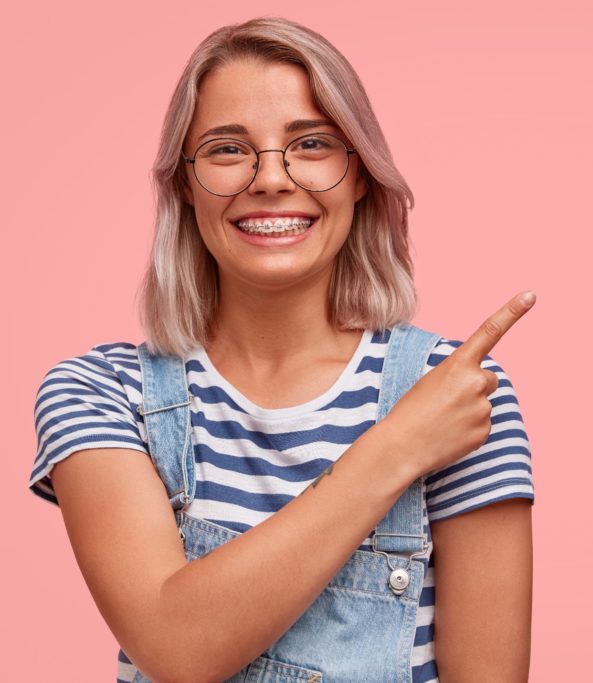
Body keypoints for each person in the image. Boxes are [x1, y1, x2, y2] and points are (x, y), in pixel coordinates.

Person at [28, 16, 536, 683]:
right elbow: (177, 647)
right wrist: (399, 446)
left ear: (359, 174)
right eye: (227, 149)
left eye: (312, 143)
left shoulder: (458, 390)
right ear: (184, 183)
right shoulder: (99, 393)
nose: (270, 178)